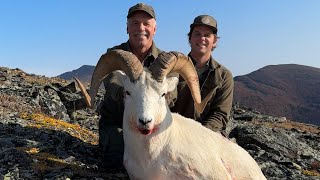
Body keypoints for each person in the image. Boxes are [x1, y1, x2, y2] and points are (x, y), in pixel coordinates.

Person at [97, 3, 177, 169]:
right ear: (127, 28)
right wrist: (133, 92)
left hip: (154, 124)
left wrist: (160, 96)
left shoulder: (165, 61)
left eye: (146, 24)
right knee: (118, 162)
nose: (141, 28)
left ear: (154, 29)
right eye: (135, 23)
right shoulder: (115, 56)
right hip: (119, 124)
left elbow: (172, 94)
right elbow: (112, 85)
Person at [171, 15, 234, 136]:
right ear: (190, 39)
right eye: (197, 34)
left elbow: (219, 114)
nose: (202, 39)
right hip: (173, 133)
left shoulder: (224, 76)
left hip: (206, 135)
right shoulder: (173, 69)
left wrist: (199, 135)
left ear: (214, 41)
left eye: (207, 35)